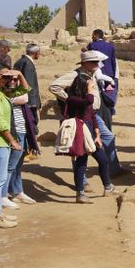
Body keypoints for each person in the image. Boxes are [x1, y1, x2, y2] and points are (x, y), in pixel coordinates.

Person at [51, 52, 126, 180]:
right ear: (85, 63)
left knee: (108, 137)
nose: (97, 64)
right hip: (79, 115)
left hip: (92, 114)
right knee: (79, 146)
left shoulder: (92, 74)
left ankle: (115, 169)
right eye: (94, 62)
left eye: (97, 62)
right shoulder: (75, 75)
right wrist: (70, 100)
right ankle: (83, 181)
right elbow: (54, 86)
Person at [63, 52, 120, 203]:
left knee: (103, 160)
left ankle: (107, 188)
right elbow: (88, 102)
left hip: (90, 131)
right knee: (81, 163)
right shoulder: (73, 100)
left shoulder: (85, 95)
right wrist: (89, 90)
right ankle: (80, 194)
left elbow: (92, 115)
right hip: (80, 132)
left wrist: (97, 133)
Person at [0, 64, 29, 227]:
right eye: (5, 76)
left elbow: (25, 90)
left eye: (10, 76)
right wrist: (12, 140)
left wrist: (19, 75)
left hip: (0, 141)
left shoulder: (1, 93)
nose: (9, 79)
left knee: (0, 179)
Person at [1, 67, 40, 210]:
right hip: (13, 133)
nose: (12, 81)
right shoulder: (4, 95)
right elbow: (25, 97)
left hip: (22, 132)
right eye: (9, 79)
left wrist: (20, 75)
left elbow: (26, 89)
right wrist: (19, 76)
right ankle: (3, 196)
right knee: (10, 166)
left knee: (17, 166)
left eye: (15, 79)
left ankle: (17, 191)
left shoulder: (13, 92)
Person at [87, 29, 119, 112]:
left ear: (96, 35)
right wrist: (113, 74)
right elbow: (113, 61)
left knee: (99, 93)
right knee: (109, 93)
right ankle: (110, 110)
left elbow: (90, 60)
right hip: (109, 73)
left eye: (93, 35)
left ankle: (101, 111)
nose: (92, 37)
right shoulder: (110, 46)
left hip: (97, 72)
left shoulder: (92, 45)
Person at [13, 44, 41, 126]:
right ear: (36, 53)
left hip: (21, 97)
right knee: (32, 124)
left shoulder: (21, 61)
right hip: (28, 100)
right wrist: (33, 104)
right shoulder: (28, 63)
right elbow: (29, 85)